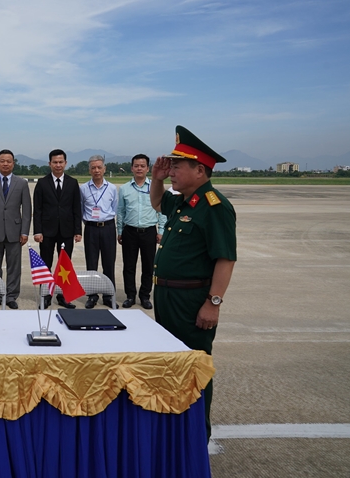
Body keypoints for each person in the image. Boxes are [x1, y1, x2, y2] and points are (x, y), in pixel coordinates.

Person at [150, 125, 236, 441]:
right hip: (169, 297)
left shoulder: (214, 207)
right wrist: (156, 179)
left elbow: (226, 259)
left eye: (177, 165)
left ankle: (198, 436)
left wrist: (213, 303)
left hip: (191, 301)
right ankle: (177, 428)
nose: (170, 170)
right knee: (174, 364)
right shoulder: (184, 201)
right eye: (170, 165)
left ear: (199, 170)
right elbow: (157, 203)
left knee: (195, 368)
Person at [0, 149, 31, 309]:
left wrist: (24, 232)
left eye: (8, 161)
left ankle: (11, 296)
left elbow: (27, 211)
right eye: (2, 161)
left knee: (14, 267)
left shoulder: (22, 183)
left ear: (13, 163)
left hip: (15, 232)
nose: (5, 164)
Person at [32, 149, 82, 308]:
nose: (58, 165)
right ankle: (45, 295)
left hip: (67, 231)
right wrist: (37, 231)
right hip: (47, 232)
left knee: (64, 266)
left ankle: (63, 296)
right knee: (46, 264)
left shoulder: (73, 183)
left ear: (65, 163)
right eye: (55, 162)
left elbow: (76, 208)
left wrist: (78, 230)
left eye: (61, 162)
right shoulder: (42, 183)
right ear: (50, 164)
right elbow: (37, 209)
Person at [116, 154, 166, 310]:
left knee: (148, 266)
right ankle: (130, 295)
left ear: (147, 168)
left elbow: (161, 211)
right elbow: (121, 212)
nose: (139, 168)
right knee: (129, 266)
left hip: (149, 231)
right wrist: (120, 231)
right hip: (129, 231)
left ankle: (145, 296)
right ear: (132, 168)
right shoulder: (124, 189)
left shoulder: (155, 188)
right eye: (136, 166)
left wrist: (161, 230)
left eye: (142, 166)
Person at [80, 155, 118, 308]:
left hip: (108, 227)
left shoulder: (112, 188)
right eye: (93, 168)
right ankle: (92, 295)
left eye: (99, 167)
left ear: (104, 169)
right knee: (91, 264)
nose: (96, 170)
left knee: (109, 263)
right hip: (91, 229)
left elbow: (114, 208)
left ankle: (109, 296)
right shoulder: (83, 188)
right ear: (89, 170)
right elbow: (81, 209)